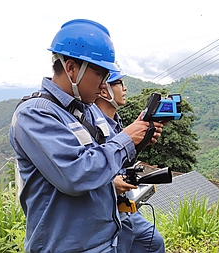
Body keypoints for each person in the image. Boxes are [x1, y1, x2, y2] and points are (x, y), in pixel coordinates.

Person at [9, 19, 164, 253]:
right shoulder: (35, 114)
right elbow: (75, 175)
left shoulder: (89, 110)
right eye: (100, 74)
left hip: (106, 237)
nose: (103, 84)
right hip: (67, 246)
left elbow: (108, 157)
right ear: (71, 68)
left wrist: (138, 140)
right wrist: (126, 139)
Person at [94, 71, 166, 253]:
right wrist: (110, 183)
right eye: (118, 83)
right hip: (108, 209)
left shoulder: (115, 122)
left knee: (153, 242)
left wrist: (140, 141)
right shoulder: (92, 125)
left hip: (124, 206)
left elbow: (122, 160)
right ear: (103, 91)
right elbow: (91, 167)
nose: (125, 88)